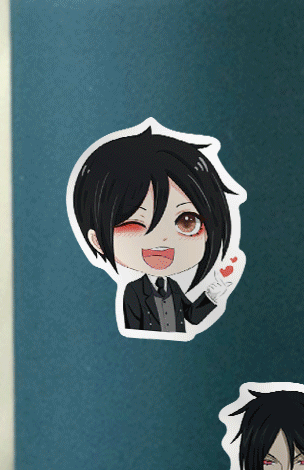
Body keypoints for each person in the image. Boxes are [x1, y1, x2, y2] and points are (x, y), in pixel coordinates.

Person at [68, 123, 241, 335]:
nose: (163, 238)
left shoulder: (173, 288)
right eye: (135, 223)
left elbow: (192, 317)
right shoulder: (133, 292)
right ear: (97, 241)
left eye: (187, 222)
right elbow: (133, 332)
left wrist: (216, 291)